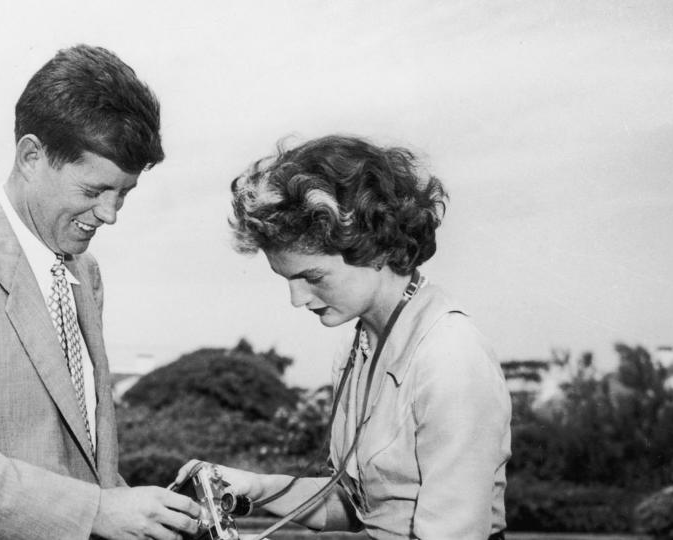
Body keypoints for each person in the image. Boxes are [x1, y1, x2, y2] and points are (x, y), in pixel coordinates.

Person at [0, 45, 200, 540]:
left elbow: (74, 461)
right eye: (93, 191)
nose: (110, 215)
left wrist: (151, 516)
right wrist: (95, 512)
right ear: (31, 156)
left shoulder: (84, 274)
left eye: (124, 194)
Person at [177, 135, 512, 539]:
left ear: (373, 247)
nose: (296, 299)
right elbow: (356, 507)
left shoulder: (450, 356)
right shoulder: (361, 345)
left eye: (312, 277)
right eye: (288, 279)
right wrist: (257, 488)